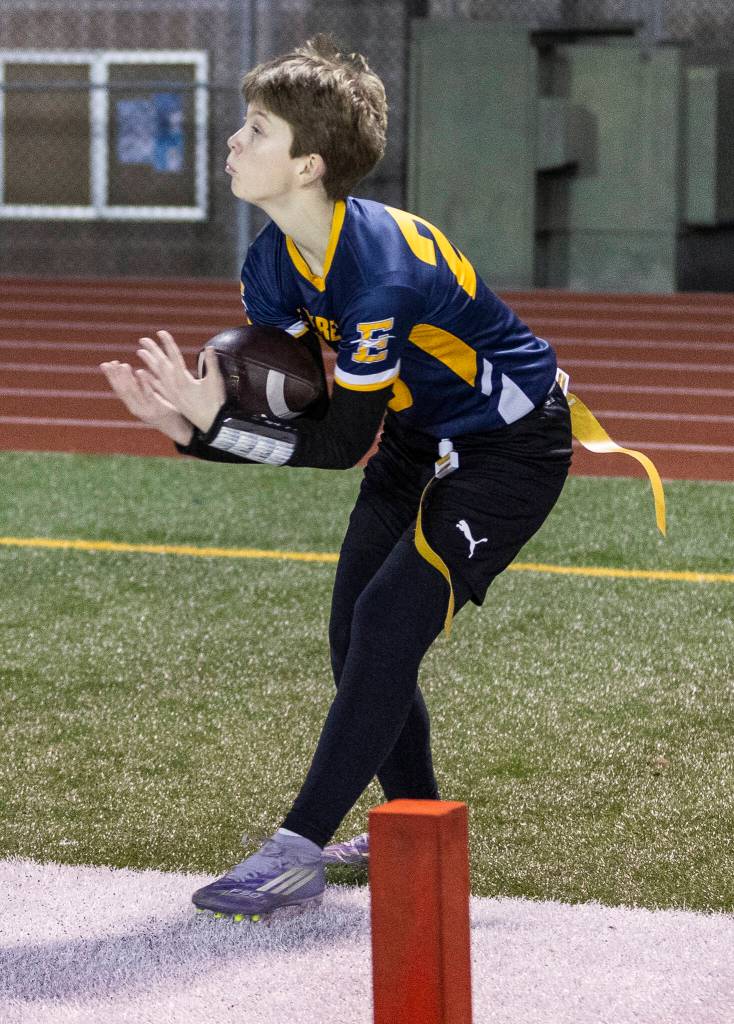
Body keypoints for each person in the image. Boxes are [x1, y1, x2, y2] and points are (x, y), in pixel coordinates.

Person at [100, 34, 572, 921]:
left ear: (308, 164)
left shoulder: (380, 276)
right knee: (355, 637)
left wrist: (211, 429)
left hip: (510, 447)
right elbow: (314, 424)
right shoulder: (271, 262)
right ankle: (414, 829)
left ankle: (297, 850)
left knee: (389, 619)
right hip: (416, 438)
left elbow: (339, 443)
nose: (234, 141)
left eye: (256, 129)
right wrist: (187, 429)